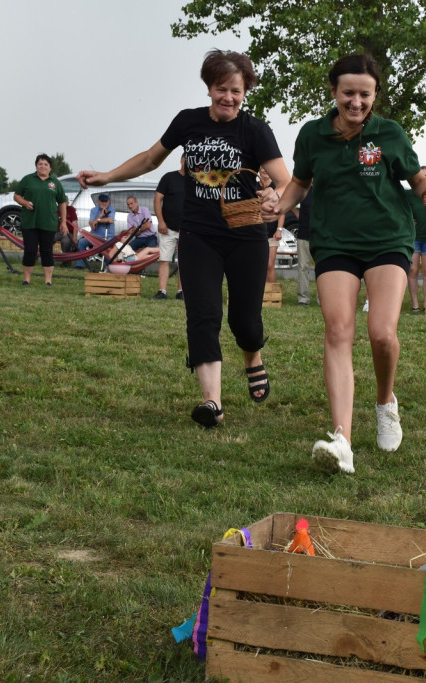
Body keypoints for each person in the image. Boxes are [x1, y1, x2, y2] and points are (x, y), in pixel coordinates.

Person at [77, 49, 290, 429]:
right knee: (202, 316)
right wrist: (108, 176)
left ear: (245, 92)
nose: (228, 97)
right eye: (221, 89)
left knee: (246, 321)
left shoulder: (255, 130)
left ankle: (252, 357)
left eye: (236, 91)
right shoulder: (188, 122)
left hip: (246, 236)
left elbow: (285, 179)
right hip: (198, 235)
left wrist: (276, 196)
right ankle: (213, 402)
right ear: (209, 88)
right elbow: (150, 158)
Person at [264, 54, 426, 474]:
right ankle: (342, 439)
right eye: (348, 93)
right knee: (338, 329)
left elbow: (418, 181)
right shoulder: (312, 135)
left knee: (382, 333)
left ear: (375, 94)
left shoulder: (390, 133)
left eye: (365, 94)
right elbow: (301, 182)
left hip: (386, 239)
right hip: (334, 240)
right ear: (333, 92)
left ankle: (385, 401)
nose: (356, 102)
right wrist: (278, 204)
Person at [14, 153, 68, 286]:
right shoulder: (28, 179)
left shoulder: (55, 182)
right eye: (40, 164)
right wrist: (25, 203)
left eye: (45, 164)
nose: (42, 166)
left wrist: (63, 221)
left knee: (47, 251)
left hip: (48, 222)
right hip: (30, 222)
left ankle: (48, 280)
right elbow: (16, 196)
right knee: (30, 250)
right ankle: (26, 279)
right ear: (36, 166)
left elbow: (62, 202)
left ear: (50, 168)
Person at [405, 166, 426, 313]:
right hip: (414, 238)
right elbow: (399, 208)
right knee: (412, 270)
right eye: (422, 176)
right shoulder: (408, 194)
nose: (425, 179)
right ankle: (415, 305)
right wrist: (409, 220)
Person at [153, 159, 185, 300]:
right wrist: (161, 221)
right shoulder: (169, 177)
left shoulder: (197, 181)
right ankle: (162, 291)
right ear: (181, 161)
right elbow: (157, 199)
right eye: (186, 160)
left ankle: (181, 292)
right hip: (167, 228)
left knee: (184, 262)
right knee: (164, 259)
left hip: (188, 229)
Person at [260, 166, 286, 285]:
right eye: (262, 168)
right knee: (256, 265)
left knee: (270, 265)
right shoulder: (253, 187)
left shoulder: (277, 189)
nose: (265, 170)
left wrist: (279, 229)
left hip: (271, 232)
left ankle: (272, 296)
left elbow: (282, 211)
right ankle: (260, 294)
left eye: (267, 168)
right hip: (256, 231)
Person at [295, 187, 314, 305]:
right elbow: (289, 201)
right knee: (302, 267)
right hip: (303, 235)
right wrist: (297, 213)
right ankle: (303, 299)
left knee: (322, 268)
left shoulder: (324, 189)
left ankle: (322, 299)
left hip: (321, 236)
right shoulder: (303, 190)